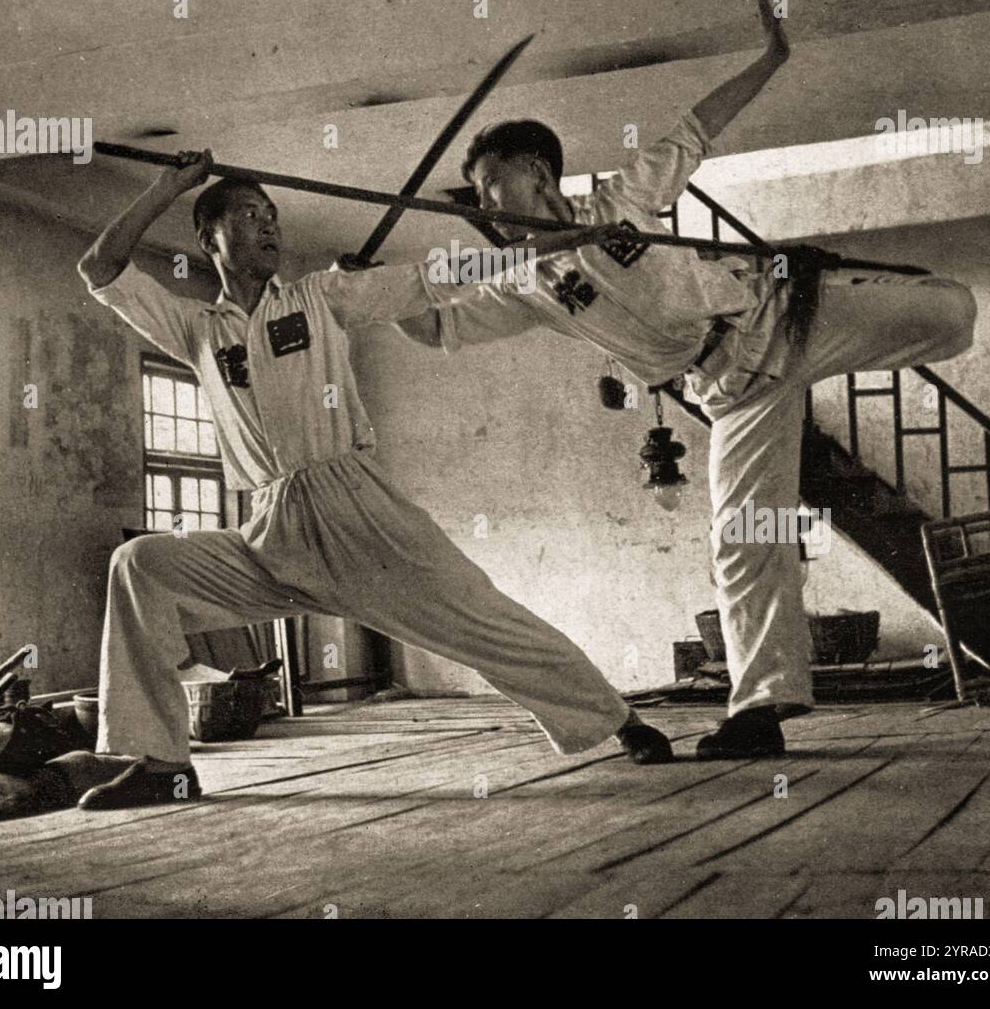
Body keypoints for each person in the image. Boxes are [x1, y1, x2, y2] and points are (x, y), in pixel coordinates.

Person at [397, 0, 977, 760]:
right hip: (730, 393)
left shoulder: (627, 198)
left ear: (537, 171)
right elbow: (438, 328)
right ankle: (761, 710)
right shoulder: (526, 287)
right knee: (743, 537)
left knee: (953, 314)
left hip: (781, 320)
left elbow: (701, 126)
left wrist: (772, 57)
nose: (486, 204)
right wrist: (374, 292)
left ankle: (898, 304)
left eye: (491, 185)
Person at [74, 153, 672, 810]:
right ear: (209, 237)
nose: (268, 225)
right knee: (141, 565)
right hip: (272, 532)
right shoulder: (196, 329)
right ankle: (163, 764)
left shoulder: (319, 296)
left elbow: (438, 277)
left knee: (483, 619)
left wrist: (570, 240)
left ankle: (620, 720)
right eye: (248, 214)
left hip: (360, 515)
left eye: (272, 215)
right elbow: (100, 267)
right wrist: (168, 186)